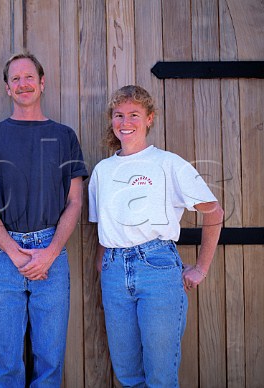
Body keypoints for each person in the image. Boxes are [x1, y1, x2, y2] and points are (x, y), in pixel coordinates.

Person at [88, 85, 224, 387]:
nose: (126, 122)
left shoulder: (168, 163)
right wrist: (102, 266)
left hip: (157, 269)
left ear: (150, 118)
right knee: (127, 373)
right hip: (113, 273)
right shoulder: (102, 171)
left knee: (160, 375)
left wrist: (200, 268)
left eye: (134, 114)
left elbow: (214, 212)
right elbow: (102, 226)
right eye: (119, 115)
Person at [0, 53, 88, 387]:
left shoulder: (64, 136)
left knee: (50, 358)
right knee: (5, 359)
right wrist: (14, 251)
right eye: (15, 79)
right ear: (7, 88)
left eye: (29, 77)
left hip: (52, 250)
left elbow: (75, 202)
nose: (23, 84)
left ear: (42, 82)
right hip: (3, 254)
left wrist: (49, 252)